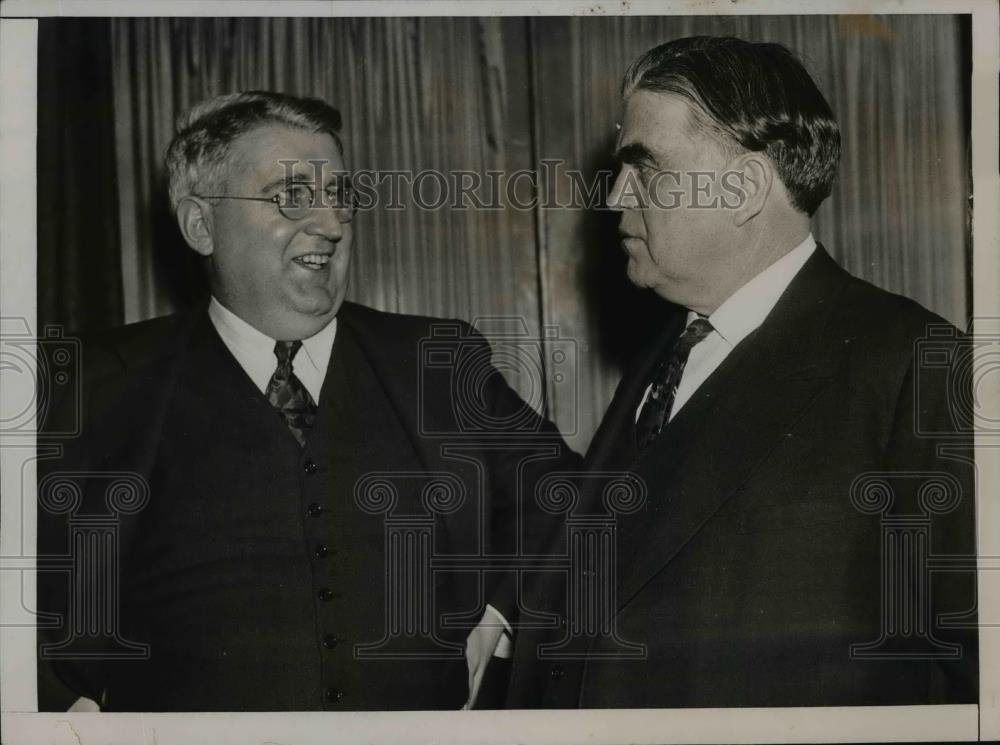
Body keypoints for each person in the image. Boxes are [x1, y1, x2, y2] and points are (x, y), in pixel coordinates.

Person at [36, 91, 579, 712]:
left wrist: (499, 612)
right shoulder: (98, 382)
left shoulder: (439, 361)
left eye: (339, 196)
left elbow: (571, 494)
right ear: (200, 224)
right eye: (292, 196)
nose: (330, 224)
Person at [507, 36, 977, 708]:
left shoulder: (916, 366)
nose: (615, 196)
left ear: (745, 188)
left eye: (646, 168)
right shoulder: (665, 359)